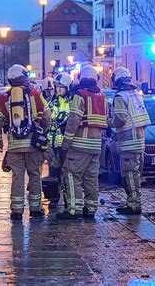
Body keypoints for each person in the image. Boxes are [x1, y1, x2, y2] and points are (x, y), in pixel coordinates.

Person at [0, 64, 51, 220]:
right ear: (24, 77)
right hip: (33, 144)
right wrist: (44, 130)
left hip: (14, 145)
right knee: (35, 175)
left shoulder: (4, 97)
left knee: (17, 176)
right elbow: (47, 116)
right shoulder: (35, 93)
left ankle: (17, 211)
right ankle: (35, 209)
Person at [57, 65, 107, 220]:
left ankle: (74, 209)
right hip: (96, 144)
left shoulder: (80, 94)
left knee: (72, 174)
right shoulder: (102, 96)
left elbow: (74, 120)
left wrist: (66, 142)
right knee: (91, 177)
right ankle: (91, 208)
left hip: (80, 143)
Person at [108, 67, 151, 215]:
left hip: (128, 142)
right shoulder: (136, 95)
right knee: (136, 174)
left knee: (130, 175)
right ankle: (134, 202)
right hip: (140, 141)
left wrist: (108, 122)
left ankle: (133, 204)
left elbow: (120, 119)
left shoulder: (120, 96)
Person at [46, 72, 73, 208]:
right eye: (57, 87)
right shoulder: (51, 101)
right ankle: (53, 198)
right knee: (53, 171)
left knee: (68, 173)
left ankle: (69, 200)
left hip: (66, 143)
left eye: (61, 87)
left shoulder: (72, 101)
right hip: (53, 142)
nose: (58, 90)